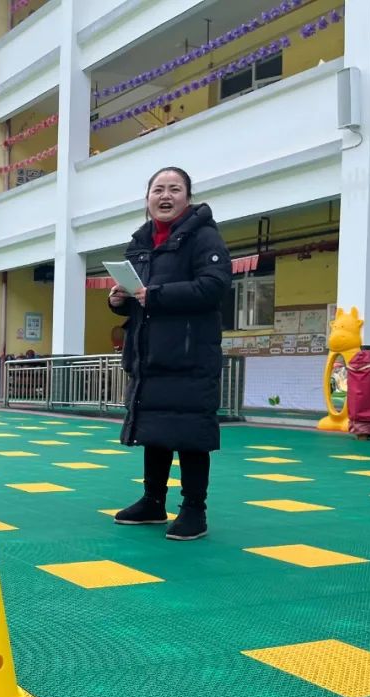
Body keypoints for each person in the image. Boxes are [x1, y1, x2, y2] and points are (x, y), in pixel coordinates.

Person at [108, 167, 231, 541]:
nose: (165, 196)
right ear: (147, 199)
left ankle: (195, 509)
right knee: (155, 430)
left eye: (174, 189)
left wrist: (156, 295)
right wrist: (119, 300)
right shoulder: (141, 242)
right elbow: (139, 297)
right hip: (150, 355)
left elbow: (214, 286)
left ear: (187, 197)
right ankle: (153, 501)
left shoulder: (204, 237)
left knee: (191, 432)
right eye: (158, 189)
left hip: (190, 355)